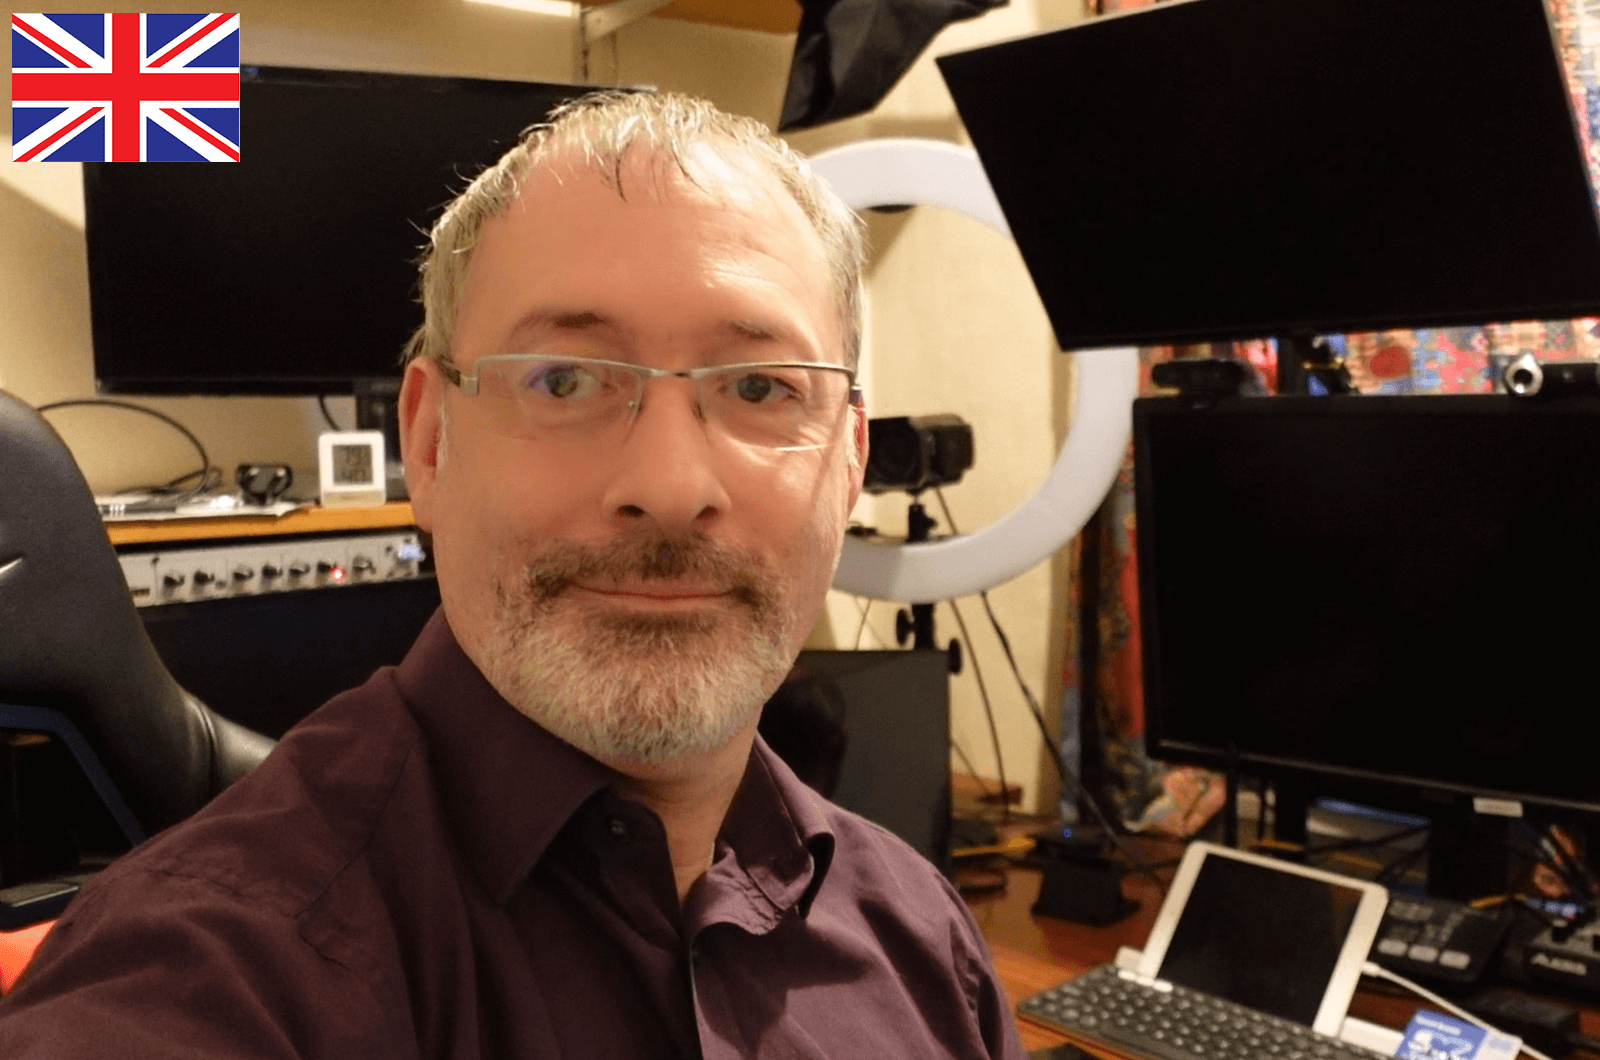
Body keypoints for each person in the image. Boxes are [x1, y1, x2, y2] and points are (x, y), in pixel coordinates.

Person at [0, 90, 1025, 1059]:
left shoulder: (924, 940)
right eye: (564, 379)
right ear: (431, 444)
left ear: (848, 464)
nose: (669, 485)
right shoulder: (210, 975)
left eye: (760, 385)